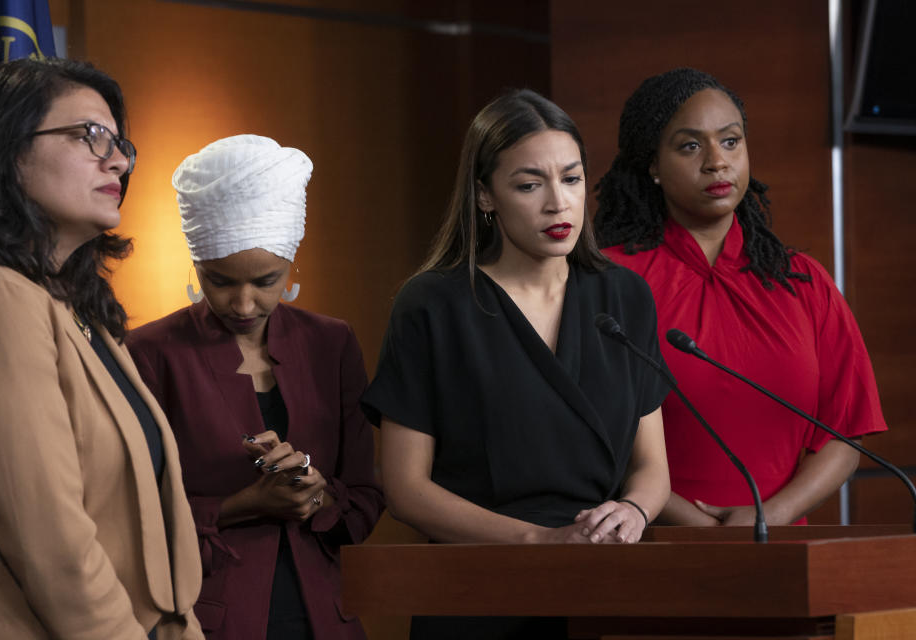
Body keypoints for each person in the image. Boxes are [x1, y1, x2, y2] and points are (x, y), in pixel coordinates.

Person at [361, 89, 671, 639]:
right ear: (485, 196)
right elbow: (406, 488)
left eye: (571, 179)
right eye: (530, 185)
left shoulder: (625, 296)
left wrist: (635, 512)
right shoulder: (432, 304)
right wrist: (538, 541)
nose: (559, 203)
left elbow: (651, 467)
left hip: (602, 585)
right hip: (476, 591)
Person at [0, 58, 203, 638]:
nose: (117, 160)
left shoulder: (77, 310)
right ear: (6, 150)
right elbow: (52, 543)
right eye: (90, 136)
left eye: (120, 145)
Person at [594, 67, 887, 527]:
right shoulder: (609, 282)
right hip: (651, 548)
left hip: (783, 555)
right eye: (691, 146)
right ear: (652, 164)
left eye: (730, 141)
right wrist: (698, 528)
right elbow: (591, 437)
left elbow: (846, 431)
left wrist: (769, 517)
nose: (717, 161)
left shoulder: (803, 281)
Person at [126, 135, 384, 640]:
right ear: (196, 263)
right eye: (219, 281)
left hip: (326, 618)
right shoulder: (149, 353)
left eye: (266, 281)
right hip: (207, 619)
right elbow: (130, 518)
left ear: (292, 264)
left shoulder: (331, 343)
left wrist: (317, 495)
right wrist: (246, 503)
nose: (243, 305)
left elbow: (365, 497)